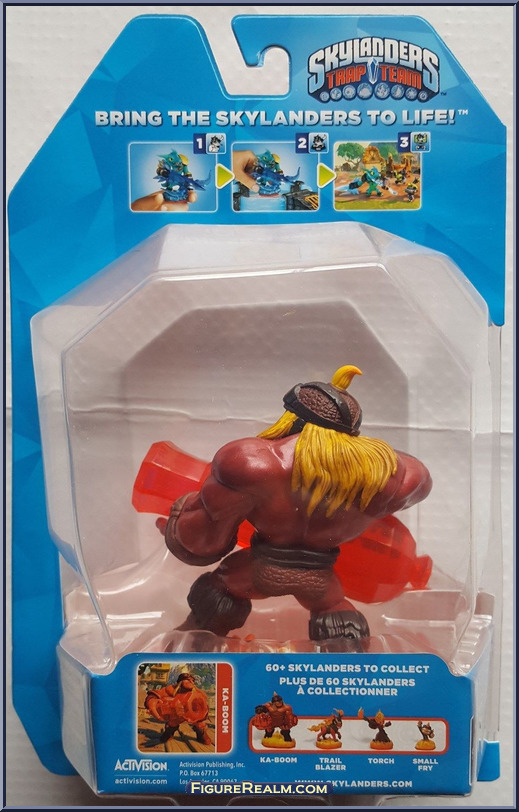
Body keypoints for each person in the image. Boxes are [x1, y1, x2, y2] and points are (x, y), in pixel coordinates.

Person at [158, 365, 432, 643]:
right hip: (323, 582)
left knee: (217, 595)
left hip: (258, 570)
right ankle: (346, 660)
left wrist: (180, 517)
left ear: (291, 416)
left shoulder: (251, 463)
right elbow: (417, 479)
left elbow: (205, 541)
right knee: (339, 622)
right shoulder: (390, 477)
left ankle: (194, 645)